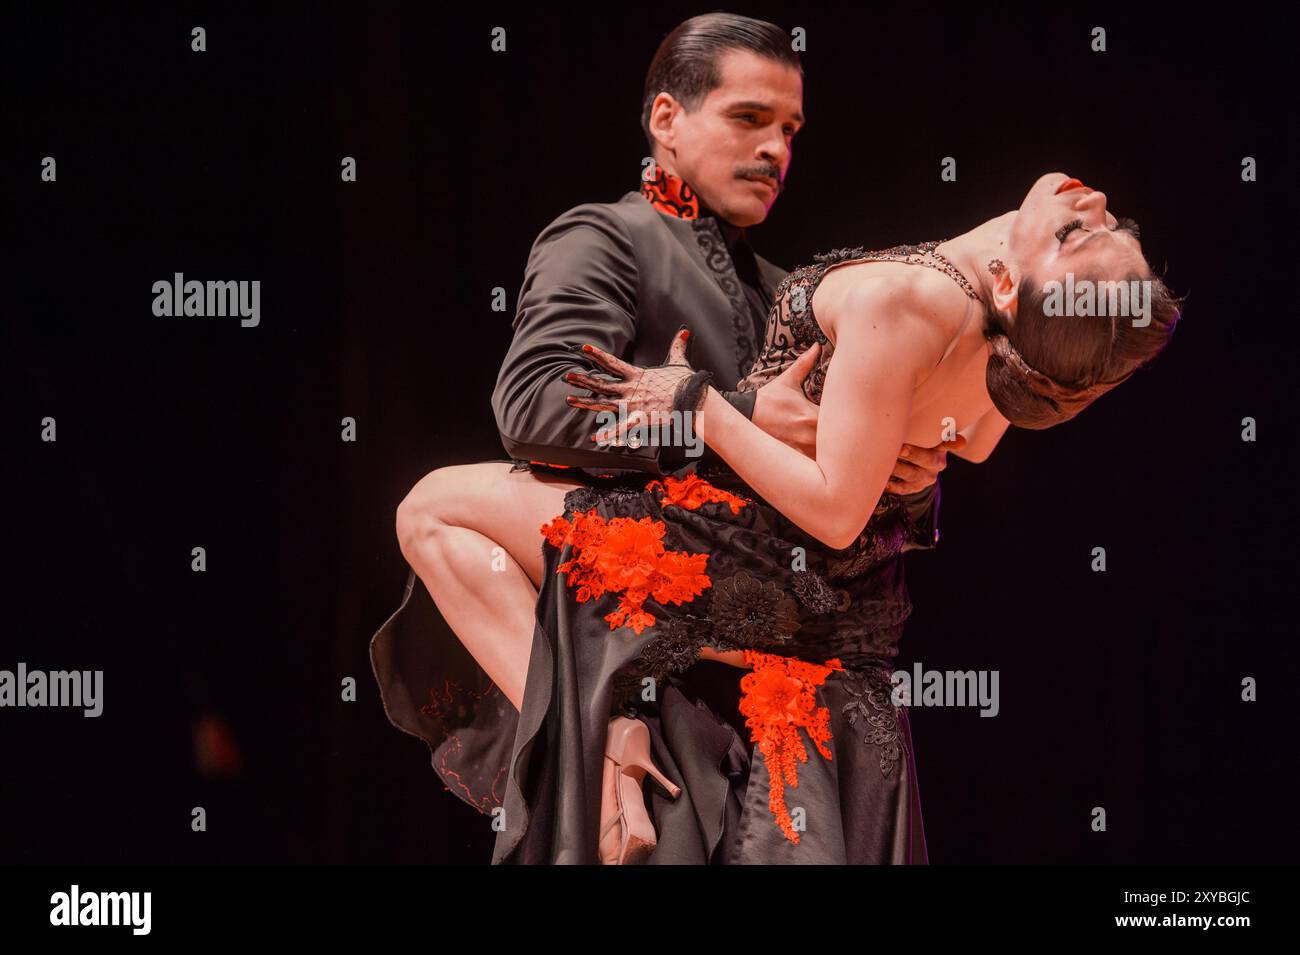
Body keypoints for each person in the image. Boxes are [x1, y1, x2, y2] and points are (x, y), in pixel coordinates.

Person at [367, 13, 954, 849]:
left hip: (796, 701)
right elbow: (534, 403)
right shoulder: (605, 238)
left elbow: (843, 501)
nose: (775, 150)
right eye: (749, 118)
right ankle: (600, 737)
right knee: (433, 509)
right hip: (667, 689)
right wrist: (732, 414)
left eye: (789, 129)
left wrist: (910, 477)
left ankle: (604, 740)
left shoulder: (791, 291)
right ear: (667, 119)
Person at [489, 170, 1182, 864]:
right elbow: (972, 440)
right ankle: (613, 730)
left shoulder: (909, 302)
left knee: (442, 513)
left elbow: (835, 513)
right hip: (848, 612)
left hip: (745, 567)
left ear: (1007, 284)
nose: (1094, 202)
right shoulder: (1021, 341)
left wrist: (699, 406)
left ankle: (606, 741)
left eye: (1074, 234)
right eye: (1115, 227)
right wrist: (909, 457)